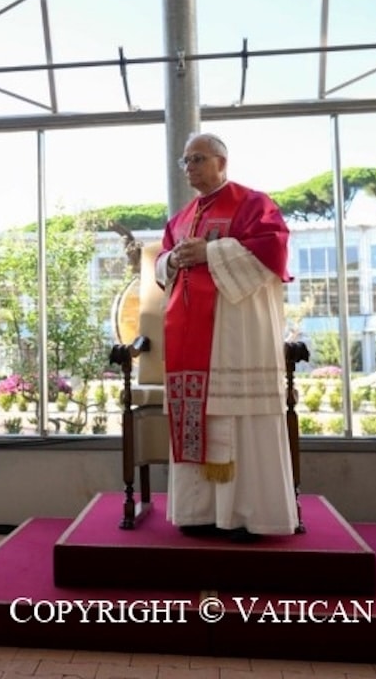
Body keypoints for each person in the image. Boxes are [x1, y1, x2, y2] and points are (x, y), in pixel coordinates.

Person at [155, 132, 298, 541]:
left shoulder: (254, 204)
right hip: (190, 343)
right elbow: (162, 266)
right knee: (200, 413)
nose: (189, 168)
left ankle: (248, 515)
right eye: (185, 161)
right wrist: (173, 259)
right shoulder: (181, 218)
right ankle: (198, 512)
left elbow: (273, 251)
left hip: (236, 338)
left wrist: (210, 253)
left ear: (221, 161)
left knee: (241, 418)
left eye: (197, 159)